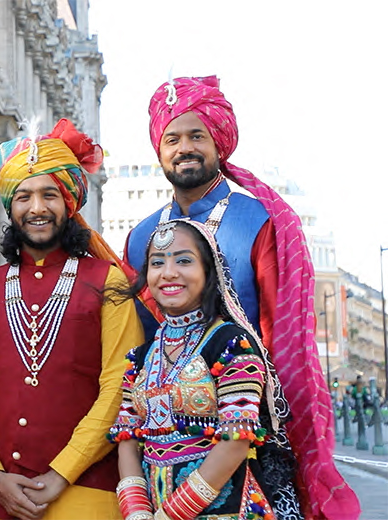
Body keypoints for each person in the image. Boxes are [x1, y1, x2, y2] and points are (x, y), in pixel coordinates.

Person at [123, 76, 358, 519]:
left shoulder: (261, 221)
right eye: (172, 138)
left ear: (220, 144)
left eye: (197, 136)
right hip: (158, 443)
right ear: (159, 149)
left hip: (251, 435)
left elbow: (281, 335)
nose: (184, 148)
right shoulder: (140, 238)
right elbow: (140, 337)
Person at [110, 219, 360, 520]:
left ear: (208, 270)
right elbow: (127, 439)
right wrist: (137, 513)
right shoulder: (140, 357)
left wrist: (171, 515)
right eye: (157, 263)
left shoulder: (231, 343)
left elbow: (237, 440)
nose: (169, 273)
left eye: (184, 261)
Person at [0, 119, 144, 519]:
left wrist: (63, 472)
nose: (37, 208)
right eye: (23, 196)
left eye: (50, 195)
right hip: (2, 499)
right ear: (10, 206)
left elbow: (121, 384)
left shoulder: (106, 279)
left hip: (88, 492)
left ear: (69, 202)